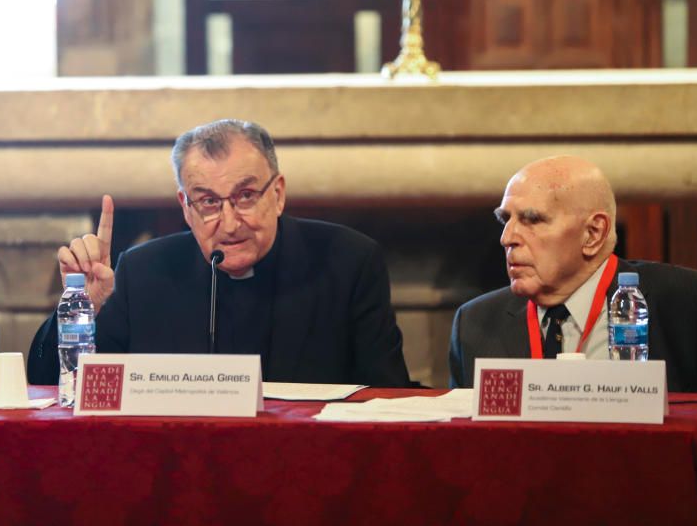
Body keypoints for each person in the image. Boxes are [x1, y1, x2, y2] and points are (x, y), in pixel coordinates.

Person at [28, 119, 411, 387]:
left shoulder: (348, 263)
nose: (229, 223)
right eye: (209, 202)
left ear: (277, 194)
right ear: (186, 207)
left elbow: (387, 400)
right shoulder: (143, 272)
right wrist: (82, 310)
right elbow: (51, 386)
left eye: (245, 196)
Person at [449, 155, 697, 392]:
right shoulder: (474, 324)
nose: (507, 238)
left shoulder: (689, 305)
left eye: (532, 219)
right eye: (505, 219)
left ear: (593, 233)